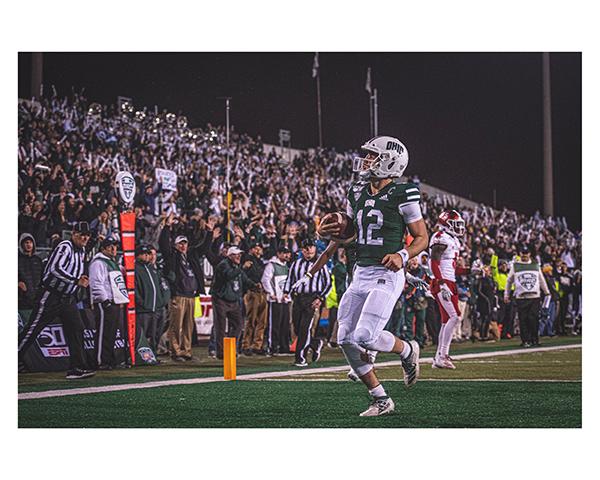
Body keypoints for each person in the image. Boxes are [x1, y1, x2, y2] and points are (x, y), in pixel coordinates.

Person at [315, 135, 428, 417]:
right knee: (344, 337)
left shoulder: (404, 193)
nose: (366, 161)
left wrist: (402, 255)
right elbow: (351, 234)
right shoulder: (357, 191)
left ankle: (407, 349)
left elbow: (421, 237)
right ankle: (380, 398)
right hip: (361, 271)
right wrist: (329, 237)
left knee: (365, 336)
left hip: (388, 273)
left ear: (389, 161)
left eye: (372, 156)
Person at [18, 222, 95, 379]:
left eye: (87, 235)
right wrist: (75, 280)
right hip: (50, 295)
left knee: (77, 328)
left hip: (67, 298)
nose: (85, 237)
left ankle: (76, 368)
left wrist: (79, 280)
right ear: (73, 234)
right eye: (82, 234)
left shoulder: (82, 251)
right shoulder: (65, 246)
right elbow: (54, 269)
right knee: (32, 329)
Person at [159, 223, 207, 362]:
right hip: (178, 295)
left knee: (188, 326)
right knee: (176, 325)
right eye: (180, 244)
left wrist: (208, 233)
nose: (183, 246)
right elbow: (163, 244)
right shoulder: (172, 256)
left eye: (184, 243)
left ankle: (186, 351)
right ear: (175, 245)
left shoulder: (191, 256)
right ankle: (175, 352)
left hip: (191, 296)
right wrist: (167, 227)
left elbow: (203, 248)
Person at [429, 210, 469, 369]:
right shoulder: (441, 237)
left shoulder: (452, 240)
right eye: (456, 224)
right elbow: (433, 263)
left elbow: (452, 269)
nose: (459, 228)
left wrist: (471, 271)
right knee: (455, 317)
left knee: (447, 321)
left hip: (449, 281)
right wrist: (441, 283)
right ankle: (443, 355)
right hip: (442, 282)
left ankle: (438, 357)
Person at [285, 238, 332, 367]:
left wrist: (320, 298)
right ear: (302, 250)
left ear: (315, 248)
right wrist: (286, 291)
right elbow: (290, 279)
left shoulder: (320, 264)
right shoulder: (296, 264)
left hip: (312, 298)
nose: (308, 250)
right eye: (306, 247)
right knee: (297, 327)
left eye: (311, 247)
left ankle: (300, 358)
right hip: (298, 298)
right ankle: (315, 343)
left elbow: (328, 284)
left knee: (305, 328)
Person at [89, 236, 129, 369]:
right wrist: (103, 299)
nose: (113, 249)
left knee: (111, 333)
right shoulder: (98, 263)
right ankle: (101, 361)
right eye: (110, 246)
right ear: (103, 248)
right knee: (103, 333)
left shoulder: (113, 262)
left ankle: (109, 359)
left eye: (115, 246)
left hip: (115, 302)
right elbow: (96, 283)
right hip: (105, 302)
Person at [210, 246, 257, 359]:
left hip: (233, 300)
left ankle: (230, 348)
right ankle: (221, 353)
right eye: (236, 254)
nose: (239, 256)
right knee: (220, 327)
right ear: (230, 256)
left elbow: (244, 279)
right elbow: (229, 275)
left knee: (238, 324)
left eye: (240, 254)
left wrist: (254, 286)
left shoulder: (237, 267)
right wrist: (242, 268)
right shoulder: (223, 265)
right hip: (220, 299)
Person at [504, 245, 550, 347]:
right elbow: (509, 281)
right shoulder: (515, 266)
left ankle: (534, 339)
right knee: (523, 319)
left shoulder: (535, 265)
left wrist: (546, 291)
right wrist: (506, 294)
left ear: (529, 254)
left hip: (534, 296)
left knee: (533, 319)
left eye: (526, 253)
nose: (524, 256)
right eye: (522, 254)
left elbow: (541, 279)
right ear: (520, 254)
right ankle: (525, 340)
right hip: (521, 297)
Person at [135, 244, 168, 354]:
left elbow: (162, 286)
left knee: (155, 335)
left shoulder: (152, 269)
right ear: (138, 255)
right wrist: (142, 303)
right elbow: (134, 290)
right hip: (144, 310)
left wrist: (162, 302)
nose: (147, 256)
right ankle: (141, 355)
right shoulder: (135, 269)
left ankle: (152, 355)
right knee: (142, 335)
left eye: (148, 254)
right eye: (144, 254)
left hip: (155, 308)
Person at [261, 244, 292, 355]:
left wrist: (288, 294)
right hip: (275, 300)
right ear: (278, 254)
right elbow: (265, 279)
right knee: (274, 324)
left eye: (288, 253)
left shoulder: (286, 266)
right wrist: (271, 293)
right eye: (284, 253)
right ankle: (273, 347)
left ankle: (284, 346)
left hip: (284, 299)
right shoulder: (272, 265)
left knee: (285, 324)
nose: (287, 255)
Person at [241, 243, 268, 355]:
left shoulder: (260, 262)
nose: (258, 251)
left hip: (262, 293)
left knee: (262, 321)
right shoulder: (247, 260)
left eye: (259, 249)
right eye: (255, 249)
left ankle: (257, 345)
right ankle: (246, 345)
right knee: (250, 320)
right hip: (252, 292)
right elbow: (243, 275)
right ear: (251, 250)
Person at [18, 233, 43, 314]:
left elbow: (43, 277)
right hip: (23, 300)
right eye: (26, 242)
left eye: (30, 242)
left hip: (37, 298)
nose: (29, 245)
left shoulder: (38, 260)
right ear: (22, 244)